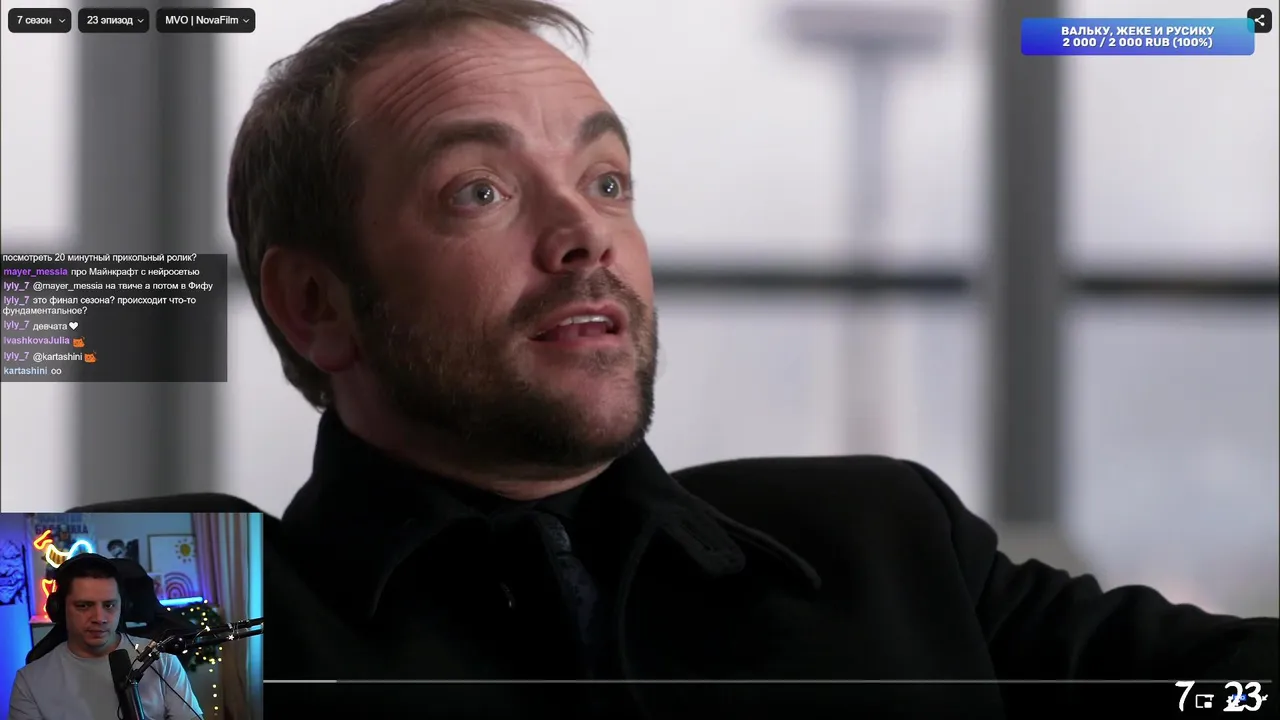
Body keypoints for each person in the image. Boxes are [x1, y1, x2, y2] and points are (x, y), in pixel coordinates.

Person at [72, 0, 1278, 717]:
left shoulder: (879, 540)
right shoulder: (172, 597)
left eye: (606, 181)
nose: (585, 235)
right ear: (315, 303)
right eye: (479, 190)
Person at [9, 554, 203, 720]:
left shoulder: (162, 660)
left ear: (123, 607)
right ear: (59, 609)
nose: (99, 618)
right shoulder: (29, 682)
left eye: (109, 605)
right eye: (83, 606)